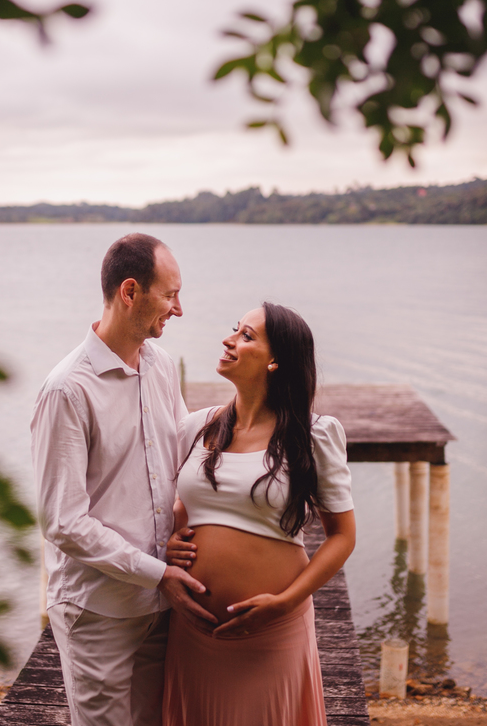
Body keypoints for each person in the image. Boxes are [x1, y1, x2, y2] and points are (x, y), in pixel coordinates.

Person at [31, 233, 217, 726]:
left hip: (158, 601)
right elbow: (63, 522)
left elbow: (176, 442)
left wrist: (248, 406)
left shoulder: (157, 364)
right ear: (129, 292)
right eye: (171, 294)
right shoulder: (67, 391)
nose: (179, 309)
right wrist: (158, 571)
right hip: (99, 610)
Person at [162, 302, 356, 726]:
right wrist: (167, 548)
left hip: (273, 630)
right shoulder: (196, 426)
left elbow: (342, 536)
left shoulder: (314, 434)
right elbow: (174, 502)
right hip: (195, 630)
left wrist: (285, 602)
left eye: (247, 336)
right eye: (235, 330)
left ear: (275, 361)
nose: (230, 340)